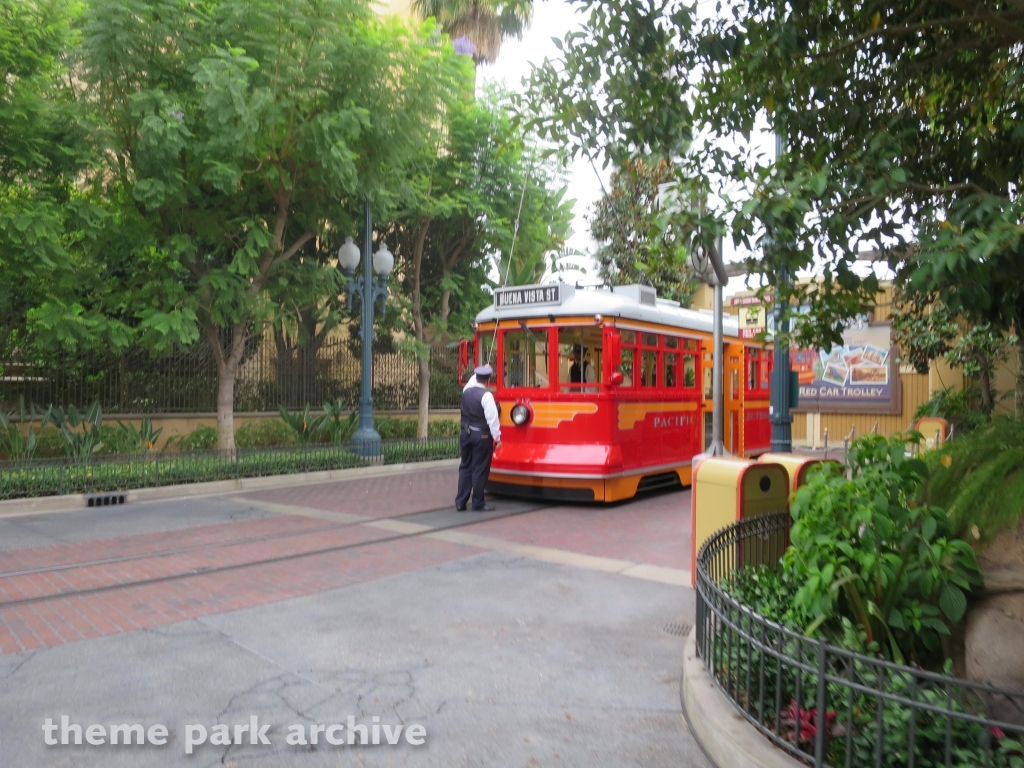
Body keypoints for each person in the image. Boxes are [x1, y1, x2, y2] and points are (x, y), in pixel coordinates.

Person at [455, 364, 501, 512]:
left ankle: (461, 501)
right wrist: (497, 438)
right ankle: (478, 502)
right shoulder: (486, 396)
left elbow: (472, 380)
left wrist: (482, 370)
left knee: (465, 466)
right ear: (488, 380)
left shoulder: (466, 391)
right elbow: (492, 419)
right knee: (479, 469)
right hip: (481, 436)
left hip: (465, 433)